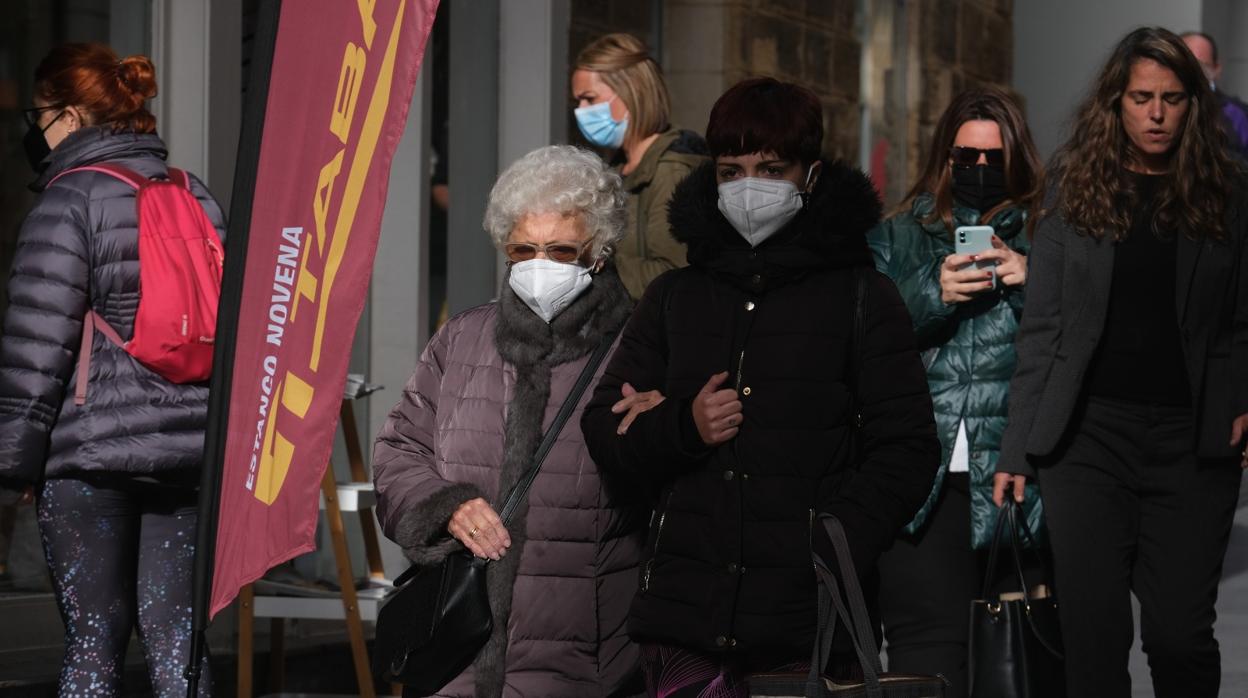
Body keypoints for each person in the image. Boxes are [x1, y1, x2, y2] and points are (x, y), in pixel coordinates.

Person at [580, 77, 940, 696]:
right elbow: (606, 425)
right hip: (684, 623)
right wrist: (682, 425)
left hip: (809, 625)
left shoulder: (861, 297)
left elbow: (907, 447)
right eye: (731, 170)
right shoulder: (675, 298)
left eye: (771, 168)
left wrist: (834, 540)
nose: (750, 186)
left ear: (810, 175)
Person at [994, 27, 1248, 698]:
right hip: (1088, 442)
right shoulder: (1075, 194)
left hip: (1193, 446)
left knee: (1179, 634)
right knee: (1095, 637)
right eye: (1142, 97)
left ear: (1194, 104)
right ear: (1116, 102)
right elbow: (1043, 331)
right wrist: (1016, 448)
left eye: (1171, 98)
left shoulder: (1229, 196)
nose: (1157, 114)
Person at [373, 145, 646, 697]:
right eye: (524, 249)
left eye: (561, 250)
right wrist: (447, 506)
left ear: (599, 251)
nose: (540, 264)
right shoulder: (462, 337)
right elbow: (399, 450)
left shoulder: (640, 346)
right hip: (456, 653)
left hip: (586, 661)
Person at [0, 43, 224, 696]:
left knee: (94, 639)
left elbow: (37, 344)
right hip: (187, 449)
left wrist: (13, 460)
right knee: (178, 635)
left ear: (69, 116)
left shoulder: (67, 203)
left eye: (39, 115)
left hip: (89, 452)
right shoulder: (193, 194)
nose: (34, 132)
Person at [866, 86, 1045, 698]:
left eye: (993, 159)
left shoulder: (1053, 235)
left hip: (1016, 474)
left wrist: (1032, 280)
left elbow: (1080, 339)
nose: (978, 171)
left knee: (1018, 657)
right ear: (945, 159)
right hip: (925, 474)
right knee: (927, 660)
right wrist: (930, 293)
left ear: (1018, 161)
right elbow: (867, 339)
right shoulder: (897, 236)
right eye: (965, 158)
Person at [572, 33, 708, 300]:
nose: (580, 110)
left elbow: (675, 272)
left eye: (589, 99)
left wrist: (585, 268)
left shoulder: (672, 170)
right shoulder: (620, 167)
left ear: (630, 91)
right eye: (577, 101)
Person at [1181, 31, 1248, 157]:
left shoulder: (1237, 115)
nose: (1193, 72)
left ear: (1216, 69)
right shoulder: (1160, 109)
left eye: (1202, 66)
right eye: (1185, 64)